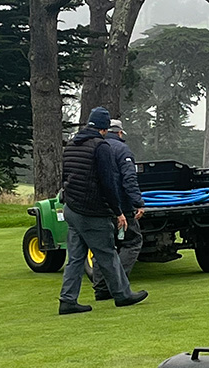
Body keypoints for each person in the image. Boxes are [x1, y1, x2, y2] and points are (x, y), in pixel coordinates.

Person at [58, 107, 148, 315]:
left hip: (71, 208)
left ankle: (67, 299)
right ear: (105, 128)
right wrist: (118, 212)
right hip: (91, 211)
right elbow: (107, 183)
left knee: (76, 258)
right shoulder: (101, 146)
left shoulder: (71, 144)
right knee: (108, 254)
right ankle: (123, 295)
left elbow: (65, 176)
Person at [92, 118, 145, 301]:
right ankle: (118, 285)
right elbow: (129, 179)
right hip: (121, 206)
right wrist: (138, 202)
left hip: (99, 208)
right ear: (120, 133)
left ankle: (100, 287)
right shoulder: (122, 149)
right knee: (132, 241)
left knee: (104, 247)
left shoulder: (95, 146)